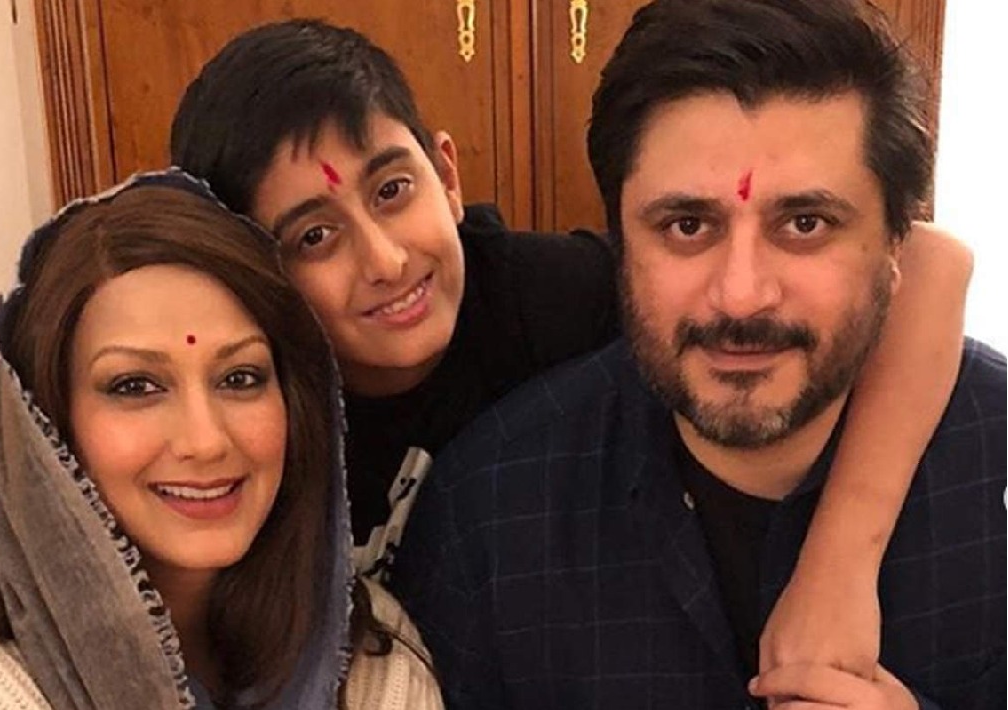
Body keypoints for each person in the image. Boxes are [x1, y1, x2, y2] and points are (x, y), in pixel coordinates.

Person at [169, 18, 972, 676]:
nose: (384, 260)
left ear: (446, 175)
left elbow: (924, 260)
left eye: (392, 190)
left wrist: (839, 563)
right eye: (313, 236)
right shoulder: (239, 396)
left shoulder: (551, 292)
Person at [387, 0, 1006, 707]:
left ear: (897, 243)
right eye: (687, 225)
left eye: (805, 223)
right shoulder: (490, 516)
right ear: (620, 242)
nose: (741, 296)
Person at [0, 170, 443, 710]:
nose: (205, 442)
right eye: (135, 386)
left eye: (240, 378)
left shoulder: (373, 654)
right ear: (47, 425)